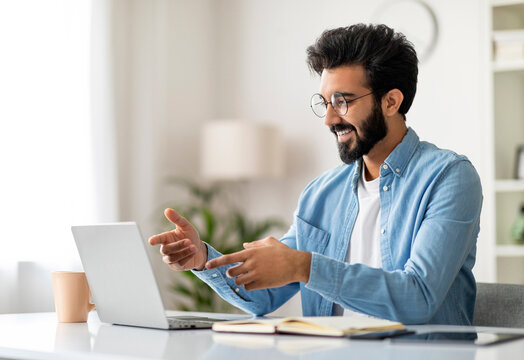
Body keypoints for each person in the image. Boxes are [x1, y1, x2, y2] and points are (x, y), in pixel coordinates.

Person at [149, 23, 483, 325]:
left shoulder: (449, 178)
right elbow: (265, 296)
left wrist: (304, 266)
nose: (329, 119)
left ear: (392, 102)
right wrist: (202, 258)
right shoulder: (322, 193)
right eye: (324, 103)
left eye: (343, 102)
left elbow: (419, 298)